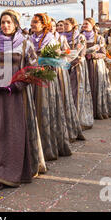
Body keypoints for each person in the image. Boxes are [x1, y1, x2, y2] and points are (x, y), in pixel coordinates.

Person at [0, 9, 46, 191]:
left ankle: (15, 172)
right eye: (2, 22)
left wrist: (17, 85)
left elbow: (34, 68)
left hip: (17, 95)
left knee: (15, 132)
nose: (5, 25)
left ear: (16, 24)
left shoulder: (25, 44)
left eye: (8, 22)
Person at [30, 13, 72, 161]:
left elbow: (54, 60)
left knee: (44, 108)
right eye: (32, 22)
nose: (33, 24)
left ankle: (47, 144)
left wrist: (39, 60)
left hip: (45, 78)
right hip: (32, 77)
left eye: (36, 22)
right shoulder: (30, 39)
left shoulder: (50, 39)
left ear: (44, 24)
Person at [51, 18, 84, 142]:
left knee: (62, 95)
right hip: (46, 70)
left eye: (59, 25)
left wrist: (63, 59)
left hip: (59, 70)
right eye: (56, 25)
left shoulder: (62, 39)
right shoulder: (37, 39)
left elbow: (70, 53)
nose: (58, 27)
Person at [63, 18, 94, 130]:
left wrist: (69, 62)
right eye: (64, 24)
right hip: (65, 66)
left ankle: (77, 117)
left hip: (77, 66)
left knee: (76, 91)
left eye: (67, 24)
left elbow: (78, 52)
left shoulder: (80, 37)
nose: (65, 26)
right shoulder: (62, 37)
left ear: (73, 25)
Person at [81, 18, 111, 119]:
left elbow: (104, 54)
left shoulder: (99, 38)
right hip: (83, 64)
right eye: (83, 24)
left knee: (94, 85)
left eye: (86, 24)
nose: (84, 25)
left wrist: (93, 55)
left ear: (92, 25)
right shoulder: (79, 37)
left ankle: (96, 111)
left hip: (95, 65)